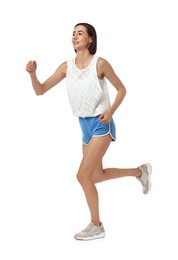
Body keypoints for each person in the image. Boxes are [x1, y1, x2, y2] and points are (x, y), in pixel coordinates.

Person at [26, 22, 152, 241]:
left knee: (82, 176)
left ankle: (97, 225)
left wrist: (111, 111)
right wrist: (33, 75)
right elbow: (41, 90)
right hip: (84, 126)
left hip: (101, 124)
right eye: (73, 33)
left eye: (80, 33)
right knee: (96, 176)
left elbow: (122, 89)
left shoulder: (100, 64)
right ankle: (140, 172)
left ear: (91, 39)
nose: (75, 36)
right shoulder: (66, 67)